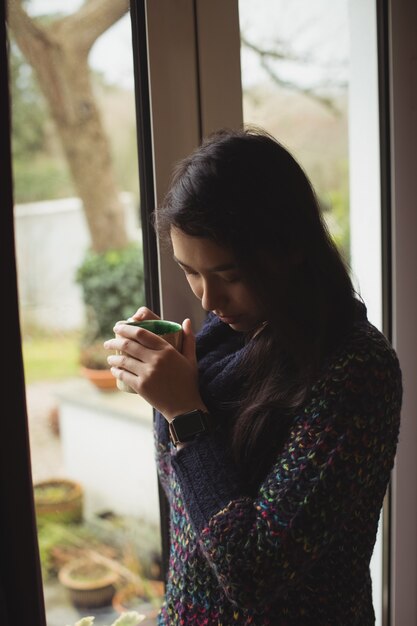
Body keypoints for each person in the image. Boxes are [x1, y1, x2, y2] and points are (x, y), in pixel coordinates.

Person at [104, 127, 402, 625]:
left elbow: (253, 570)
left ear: (291, 249)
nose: (207, 300)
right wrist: (165, 380)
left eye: (230, 275)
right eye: (190, 271)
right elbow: (193, 524)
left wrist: (184, 411)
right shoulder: (227, 339)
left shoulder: (356, 371)